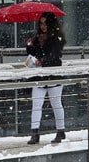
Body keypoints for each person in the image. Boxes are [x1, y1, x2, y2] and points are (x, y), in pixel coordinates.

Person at [25, 11, 66, 144]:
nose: (43, 26)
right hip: (40, 74)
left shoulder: (57, 38)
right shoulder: (37, 37)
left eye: (45, 23)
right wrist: (30, 47)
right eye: (41, 23)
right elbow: (34, 54)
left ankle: (60, 131)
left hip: (52, 73)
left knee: (56, 104)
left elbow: (54, 55)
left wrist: (42, 60)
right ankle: (35, 132)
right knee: (37, 104)